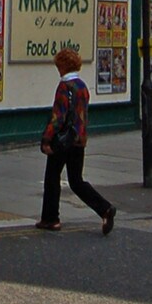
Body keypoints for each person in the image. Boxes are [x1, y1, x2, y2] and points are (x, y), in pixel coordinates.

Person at [38, 46, 115, 234]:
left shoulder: (64, 87)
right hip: (78, 141)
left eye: (59, 65)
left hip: (63, 141)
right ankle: (104, 208)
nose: (58, 69)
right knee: (76, 181)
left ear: (64, 66)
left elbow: (59, 117)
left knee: (52, 178)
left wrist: (46, 139)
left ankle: (51, 219)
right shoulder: (82, 87)